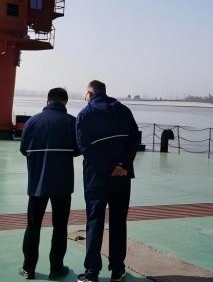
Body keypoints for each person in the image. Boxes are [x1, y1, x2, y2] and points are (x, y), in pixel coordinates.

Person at [76, 80, 140, 282]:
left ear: (90, 93)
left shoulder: (85, 115)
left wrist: (106, 168)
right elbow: (134, 138)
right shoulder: (123, 110)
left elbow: (84, 147)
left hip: (96, 177)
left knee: (95, 221)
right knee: (118, 221)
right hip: (122, 176)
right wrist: (121, 165)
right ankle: (117, 270)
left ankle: (91, 273)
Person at [19, 87, 80, 280]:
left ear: (47, 100)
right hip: (62, 184)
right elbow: (78, 149)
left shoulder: (32, 122)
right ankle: (56, 268)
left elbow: (23, 149)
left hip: (37, 183)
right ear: (65, 102)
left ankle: (28, 268)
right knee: (60, 227)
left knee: (33, 226)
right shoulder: (72, 122)